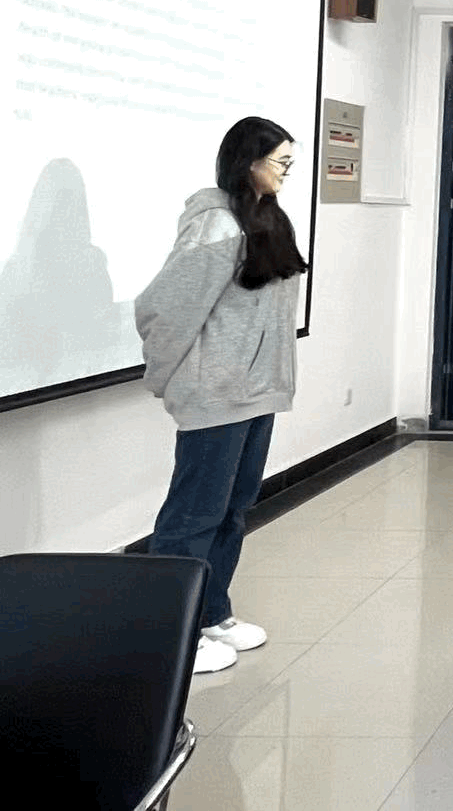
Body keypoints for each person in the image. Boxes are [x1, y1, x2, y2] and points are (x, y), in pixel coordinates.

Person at [138, 117, 308, 675]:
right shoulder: (214, 224)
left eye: (289, 162)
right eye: (280, 161)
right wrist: (166, 376)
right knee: (194, 515)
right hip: (215, 393)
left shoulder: (268, 218)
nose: (287, 170)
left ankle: (210, 613)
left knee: (233, 510)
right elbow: (166, 308)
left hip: (257, 393)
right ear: (247, 161)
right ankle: (168, 633)